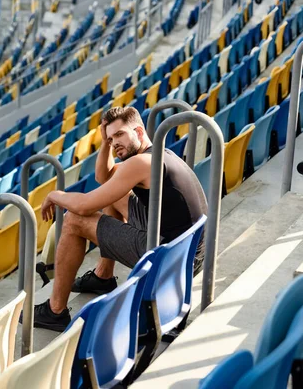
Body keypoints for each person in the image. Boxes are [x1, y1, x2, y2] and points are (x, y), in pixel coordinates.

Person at [33, 106, 207, 332]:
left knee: (74, 219)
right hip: (188, 252)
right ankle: (103, 276)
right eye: (110, 138)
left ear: (139, 132)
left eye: (120, 135)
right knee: (113, 193)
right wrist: (107, 141)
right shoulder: (159, 153)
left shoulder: (139, 164)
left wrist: (55, 194)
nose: (114, 142)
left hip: (170, 261)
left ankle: (54, 311)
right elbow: (103, 177)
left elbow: (84, 206)